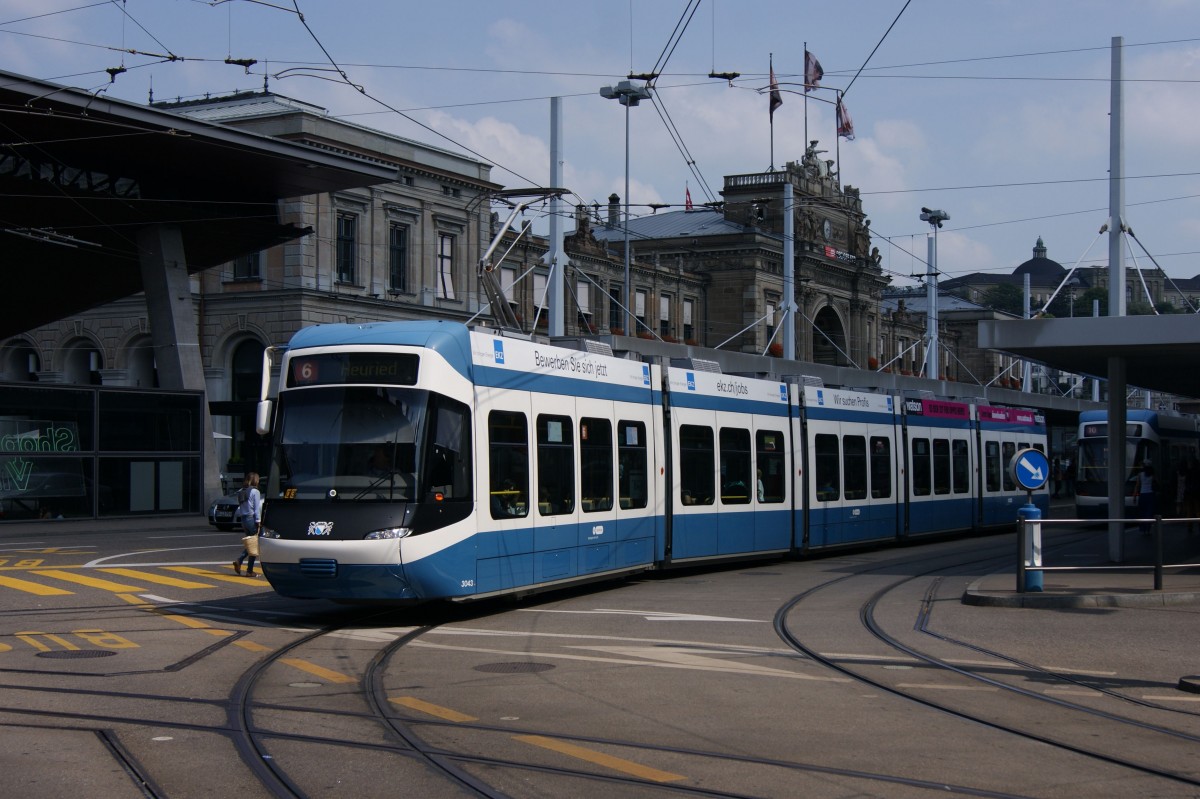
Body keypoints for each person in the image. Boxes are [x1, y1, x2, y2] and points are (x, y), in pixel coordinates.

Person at [233, 471, 262, 577]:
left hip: (244, 519)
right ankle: (247, 569)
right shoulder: (255, 492)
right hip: (251, 519)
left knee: (251, 543)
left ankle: (244, 565)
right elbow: (256, 509)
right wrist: (258, 522)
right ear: (256, 480)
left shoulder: (241, 491)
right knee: (253, 544)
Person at [1133, 462, 1157, 535]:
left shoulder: (1140, 475)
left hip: (1142, 495)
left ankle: (1143, 528)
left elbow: (1137, 486)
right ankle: (1148, 528)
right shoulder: (1152, 475)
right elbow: (1156, 483)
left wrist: (1134, 496)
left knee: (1142, 512)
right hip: (1150, 494)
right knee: (1149, 512)